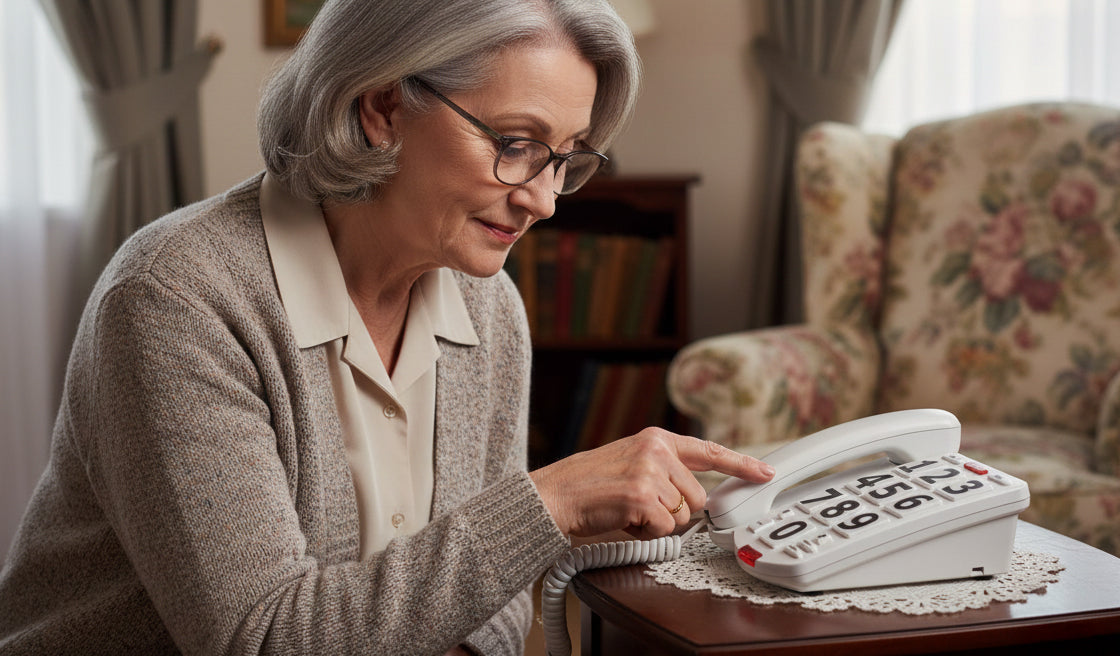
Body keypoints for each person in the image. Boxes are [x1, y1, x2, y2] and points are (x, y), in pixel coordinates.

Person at [0, 0, 774, 653]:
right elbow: (263, 638)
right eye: (515, 145)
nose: (543, 200)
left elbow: (496, 612)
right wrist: (549, 506)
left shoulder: (488, 303)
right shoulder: (177, 299)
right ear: (380, 108)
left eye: (567, 158)